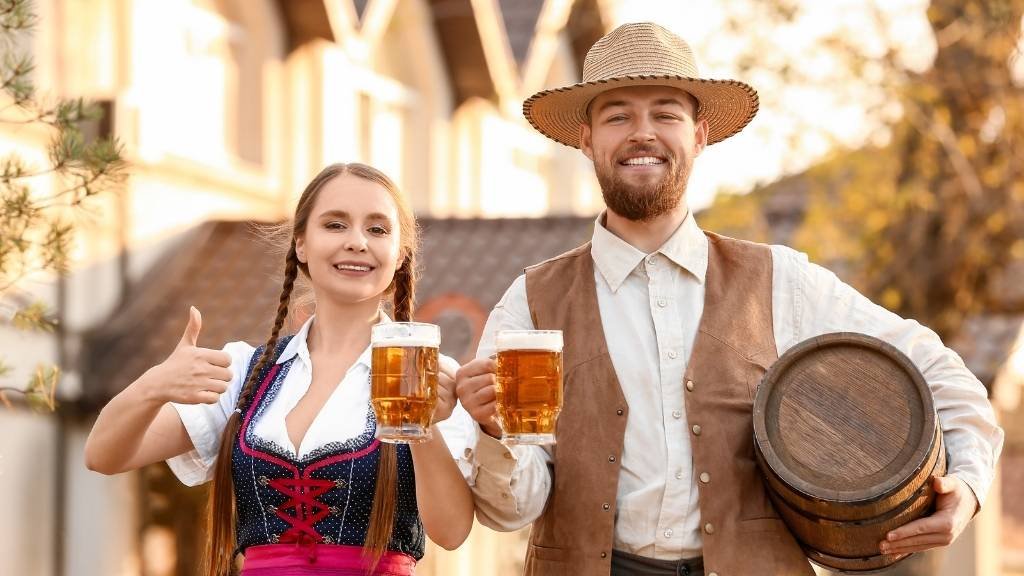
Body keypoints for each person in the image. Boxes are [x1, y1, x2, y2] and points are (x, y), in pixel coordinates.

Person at [454, 22, 1004, 576]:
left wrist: (968, 482)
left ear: (699, 135)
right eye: (617, 115)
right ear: (586, 139)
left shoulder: (780, 281)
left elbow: (938, 372)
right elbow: (511, 511)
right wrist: (494, 435)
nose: (641, 133)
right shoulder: (530, 302)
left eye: (666, 114)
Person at [85, 163, 475, 576]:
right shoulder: (247, 373)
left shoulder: (433, 374)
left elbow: (451, 532)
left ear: (400, 255)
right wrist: (154, 385)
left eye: (377, 230)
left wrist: (423, 425)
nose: (357, 242)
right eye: (335, 225)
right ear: (302, 244)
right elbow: (104, 455)